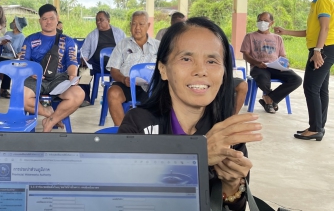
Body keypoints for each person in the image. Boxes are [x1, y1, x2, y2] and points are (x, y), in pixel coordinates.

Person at [119, 17, 262, 210]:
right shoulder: (139, 124)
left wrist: (232, 186)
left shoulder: (226, 133)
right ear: (163, 69)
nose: (201, 71)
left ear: (224, 73)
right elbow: (125, 199)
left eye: (212, 61)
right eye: (186, 59)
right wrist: (197, 158)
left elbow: (234, 206)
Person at [274, 0, 334, 141]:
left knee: (311, 87)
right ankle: (318, 126)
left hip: (324, 48)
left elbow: (325, 29)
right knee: (320, 88)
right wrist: (286, 32)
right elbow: (311, 32)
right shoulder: (318, 2)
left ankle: (315, 128)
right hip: (324, 47)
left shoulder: (323, 1)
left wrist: (317, 51)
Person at [20, 4, 85, 132]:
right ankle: (48, 113)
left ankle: (50, 122)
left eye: (51, 18)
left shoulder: (67, 41)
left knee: (78, 94)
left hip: (59, 78)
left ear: (57, 19)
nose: (48, 21)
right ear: (40, 21)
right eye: (44, 19)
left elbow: (72, 62)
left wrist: (72, 75)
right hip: (35, 78)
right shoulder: (30, 39)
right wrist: (32, 71)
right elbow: (23, 62)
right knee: (20, 96)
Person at [240, 12, 302, 114]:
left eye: (265, 21)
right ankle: (271, 101)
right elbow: (245, 55)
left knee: (296, 79)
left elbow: (282, 56)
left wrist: (285, 64)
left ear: (272, 23)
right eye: (260, 20)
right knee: (263, 79)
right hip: (258, 67)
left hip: (276, 67)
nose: (262, 23)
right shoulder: (250, 36)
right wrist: (257, 62)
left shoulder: (278, 38)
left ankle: (269, 99)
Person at [106, 11, 160, 126]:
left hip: (152, 86)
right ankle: (123, 133)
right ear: (130, 25)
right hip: (127, 85)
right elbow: (114, 71)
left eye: (141, 24)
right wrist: (123, 79)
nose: (137, 28)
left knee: (166, 95)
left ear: (148, 26)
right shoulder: (122, 44)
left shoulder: (158, 46)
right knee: (112, 92)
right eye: (134, 24)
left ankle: (154, 132)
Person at [79, 11, 126, 104]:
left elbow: (126, 48)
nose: (98, 22)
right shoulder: (92, 35)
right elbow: (84, 50)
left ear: (108, 20)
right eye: (97, 20)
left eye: (101, 20)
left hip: (115, 65)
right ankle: (85, 98)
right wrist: (84, 59)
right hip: (96, 64)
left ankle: (124, 97)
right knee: (83, 69)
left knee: (128, 70)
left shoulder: (119, 33)